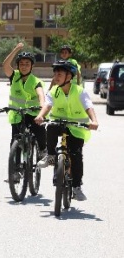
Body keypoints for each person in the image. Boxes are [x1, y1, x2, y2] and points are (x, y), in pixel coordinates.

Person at [34, 60, 98, 201]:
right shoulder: (54, 91)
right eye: (55, 73)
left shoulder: (79, 91)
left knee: (76, 156)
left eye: (60, 73)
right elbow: (48, 105)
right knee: (50, 127)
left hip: (76, 128)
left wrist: (94, 121)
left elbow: (89, 107)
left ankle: (76, 187)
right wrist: (40, 115)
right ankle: (50, 156)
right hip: (59, 124)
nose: (56, 76)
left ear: (69, 76)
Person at [2, 43, 46, 152]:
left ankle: (42, 150)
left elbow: (41, 95)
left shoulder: (36, 81)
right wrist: (16, 49)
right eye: (21, 63)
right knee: (15, 140)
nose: (24, 66)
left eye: (27, 63)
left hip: (33, 114)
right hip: (17, 113)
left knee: (39, 131)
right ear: (17, 66)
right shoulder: (14, 76)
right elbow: (5, 65)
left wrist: (41, 107)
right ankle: (15, 165)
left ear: (32, 66)